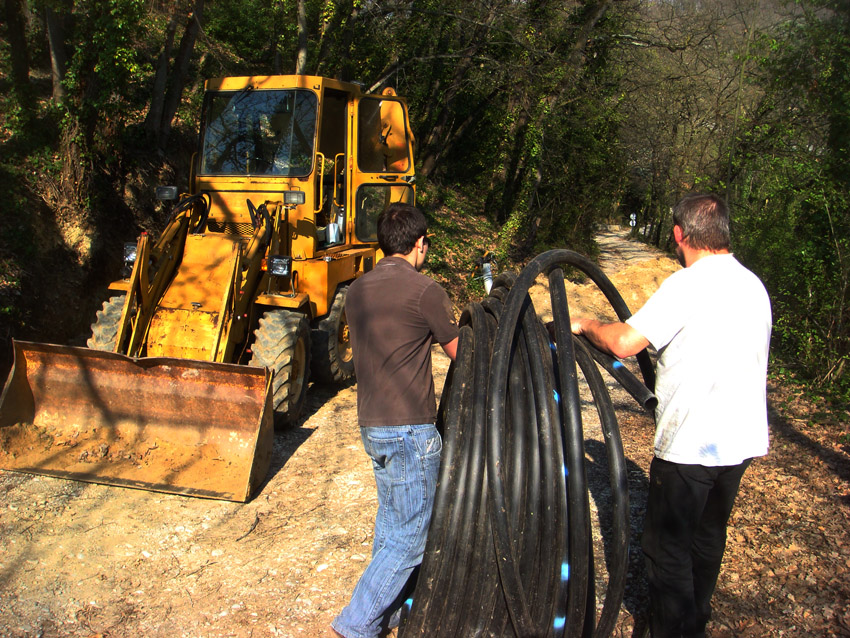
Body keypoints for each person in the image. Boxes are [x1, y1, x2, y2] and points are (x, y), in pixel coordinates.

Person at [570, 194, 771, 638]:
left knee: (667, 551)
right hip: (739, 443)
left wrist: (586, 324)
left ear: (680, 235)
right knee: (707, 538)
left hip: (691, 444)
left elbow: (624, 342)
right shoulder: (753, 285)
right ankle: (696, 619)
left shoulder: (688, 284)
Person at [332, 203, 459, 638]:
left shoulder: (357, 290)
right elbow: (463, 353)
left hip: (373, 425)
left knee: (390, 526)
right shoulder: (425, 291)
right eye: (427, 244)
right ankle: (357, 623)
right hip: (410, 428)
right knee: (412, 535)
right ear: (420, 244)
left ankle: (384, 615)